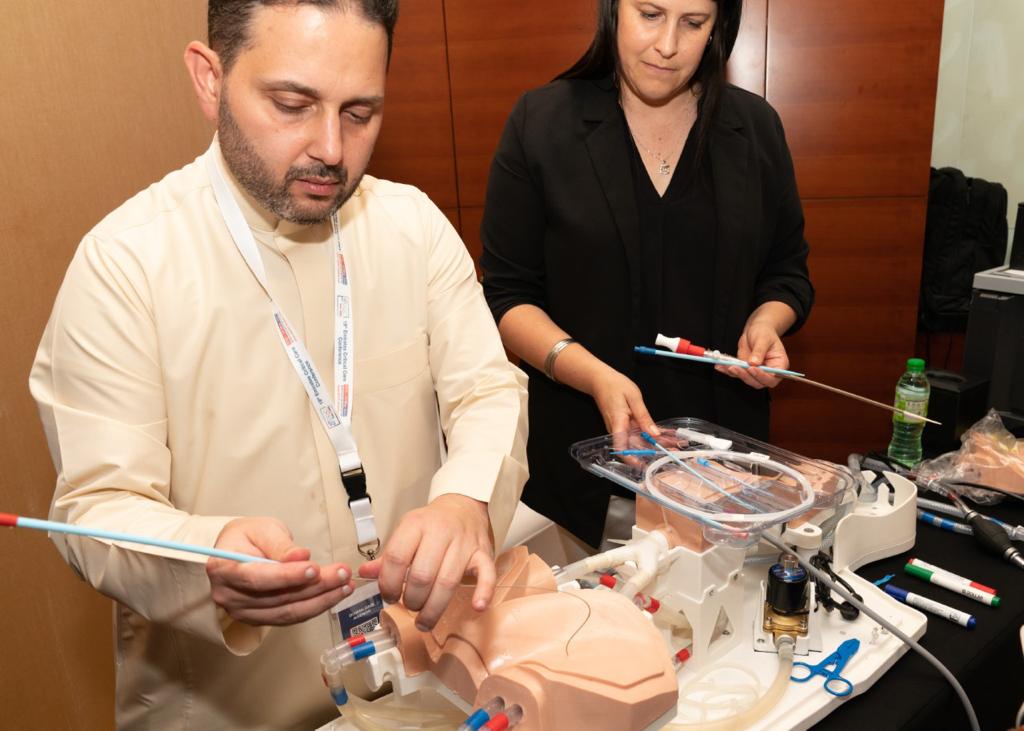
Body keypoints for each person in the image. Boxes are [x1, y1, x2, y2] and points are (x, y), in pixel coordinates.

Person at [29, 1, 528, 728]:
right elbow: (95, 506)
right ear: (209, 79)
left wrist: (466, 498)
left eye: (360, 113)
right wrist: (206, 557)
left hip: (423, 675)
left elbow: (486, 389)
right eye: (293, 105)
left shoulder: (412, 226)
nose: (331, 148)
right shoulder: (125, 265)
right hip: (232, 705)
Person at [480, 0, 813, 548]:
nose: (668, 45)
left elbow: (787, 271)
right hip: (579, 471)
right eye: (650, 14)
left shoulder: (755, 129)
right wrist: (596, 377)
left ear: (718, 28)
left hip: (723, 473)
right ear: (614, 10)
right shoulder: (542, 123)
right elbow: (508, 297)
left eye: (693, 23)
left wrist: (766, 322)